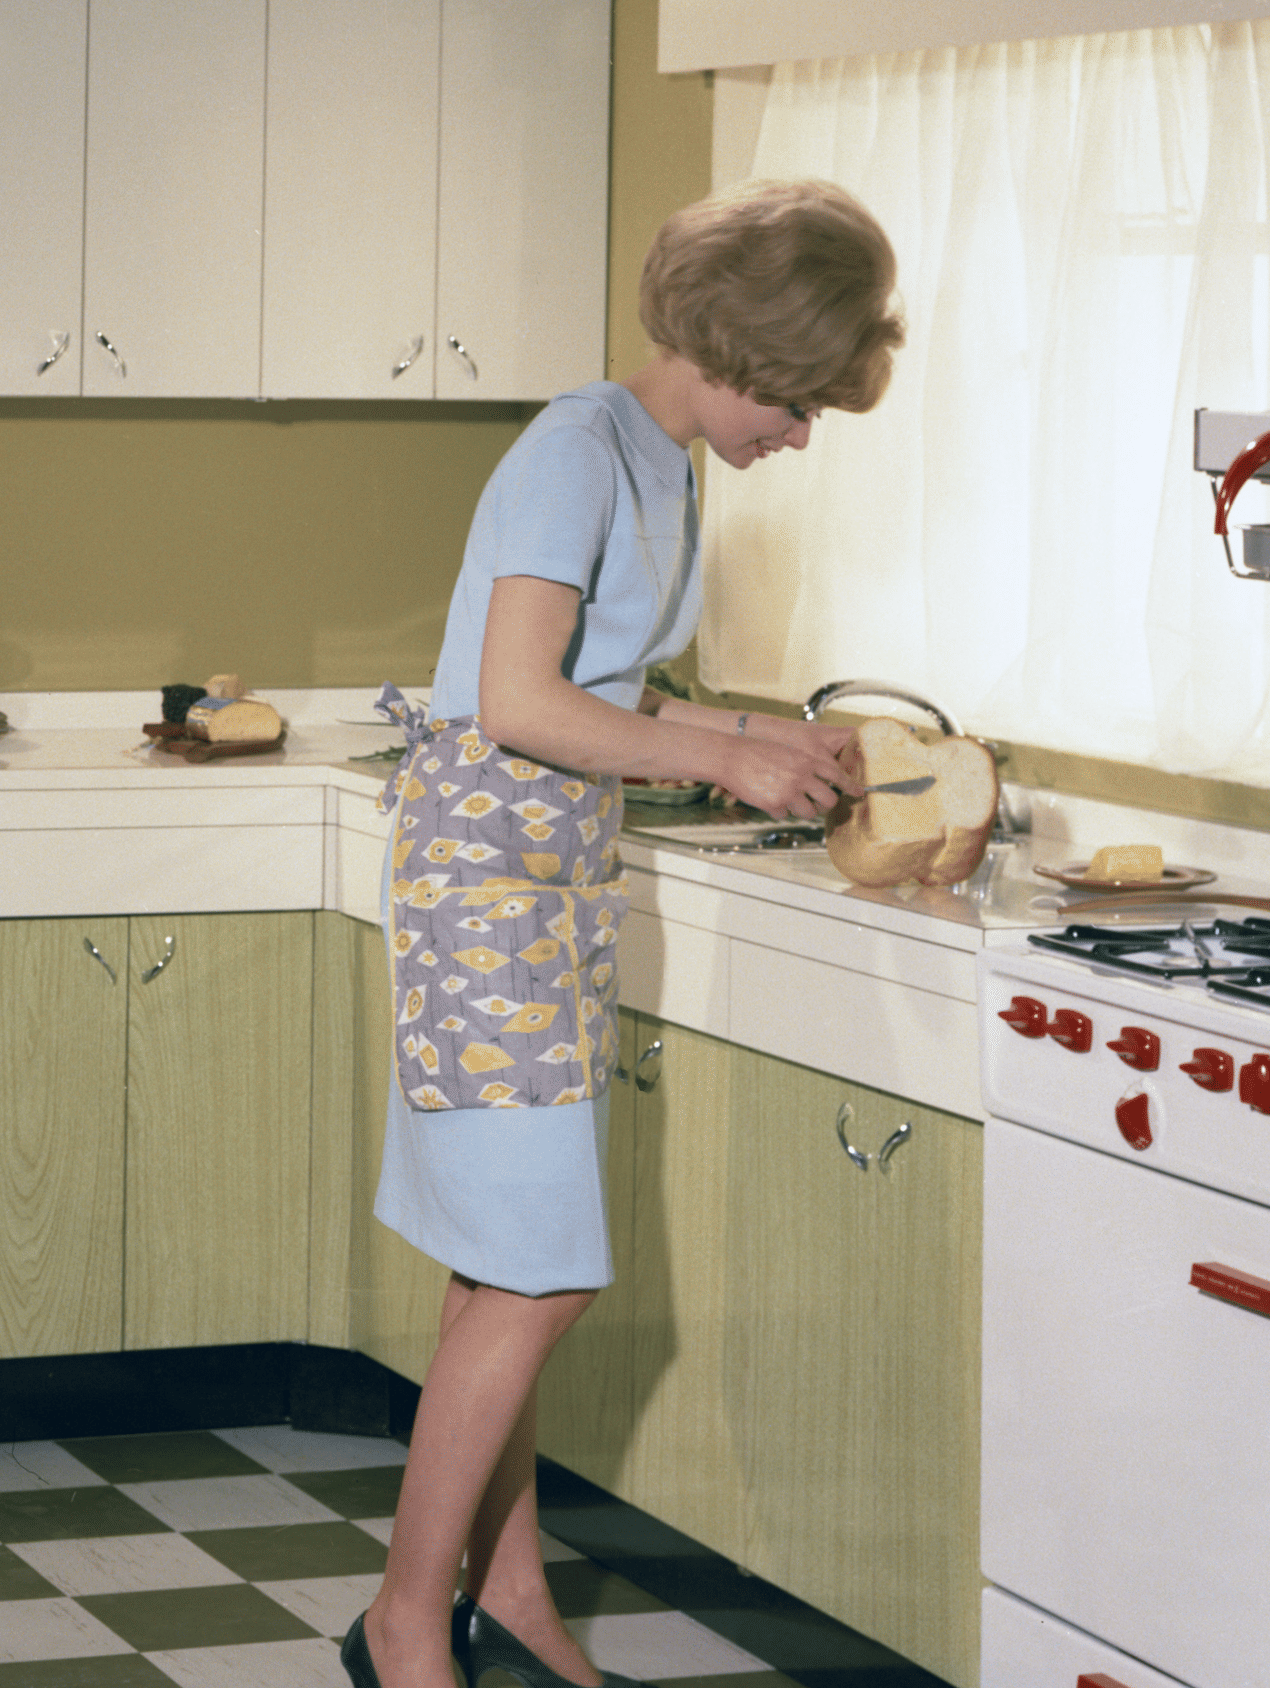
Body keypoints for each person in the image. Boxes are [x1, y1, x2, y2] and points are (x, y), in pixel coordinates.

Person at [347, 179, 906, 1688]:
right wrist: (726, 761)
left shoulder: (662, 464)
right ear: (736, 351)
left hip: (558, 879)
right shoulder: (570, 451)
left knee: (501, 1268)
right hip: (485, 882)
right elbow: (517, 701)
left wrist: (752, 730)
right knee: (540, 1274)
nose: (800, 435)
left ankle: (509, 1597)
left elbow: (610, 687)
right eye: (798, 403)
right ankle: (406, 1622)